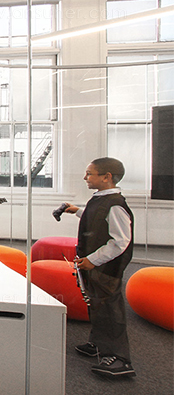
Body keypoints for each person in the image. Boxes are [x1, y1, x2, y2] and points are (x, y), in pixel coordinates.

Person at [58, 157, 135, 377]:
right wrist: (77, 211)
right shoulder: (102, 199)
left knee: (110, 309)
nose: (85, 177)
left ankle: (120, 359)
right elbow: (96, 216)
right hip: (95, 266)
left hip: (106, 270)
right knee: (97, 305)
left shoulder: (116, 205)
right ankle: (99, 344)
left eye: (89, 173)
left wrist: (93, 259)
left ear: (106, 177)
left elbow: (120, 241)